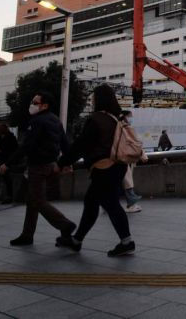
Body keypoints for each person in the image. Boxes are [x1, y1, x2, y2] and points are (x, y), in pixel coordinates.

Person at [57, 85, 135, 256]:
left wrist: (63, 161)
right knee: (92, 201)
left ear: (99, 99)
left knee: (110, 203)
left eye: (94, 97)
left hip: (104, 167)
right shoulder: (118, 117)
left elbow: (81, 144)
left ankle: (126, 241)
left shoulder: (98, 119)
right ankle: (77, 240)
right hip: (119, 165)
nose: (92, 100)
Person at [0, 92, 76, 246]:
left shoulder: (37, 121)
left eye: (35, 102)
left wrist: (7, 163)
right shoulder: (55, 120)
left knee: (38, 200)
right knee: (32, 200)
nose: (31, 104)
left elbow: (27, 146)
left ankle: (65, 224)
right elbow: (64, 143)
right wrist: (67, 162)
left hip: (38, 166)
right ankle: (27, 235)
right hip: (51, 166)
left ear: (44, 105)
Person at [119, 111, 146, 213]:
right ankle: (131, 203)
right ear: (125, 117)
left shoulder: (121, 127)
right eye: (130, 116)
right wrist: (143, 154)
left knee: (120, 183)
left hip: (121, 158)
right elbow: (134, 143)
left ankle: (131, 203)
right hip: (123, 158)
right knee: (127, 182)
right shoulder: (125, 128)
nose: (131, 118)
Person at [0, 123, 18, 204]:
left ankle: (9, 197)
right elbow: (0, 149)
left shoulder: (11, 138)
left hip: (6, 161)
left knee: (7, 179)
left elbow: (11, 150)